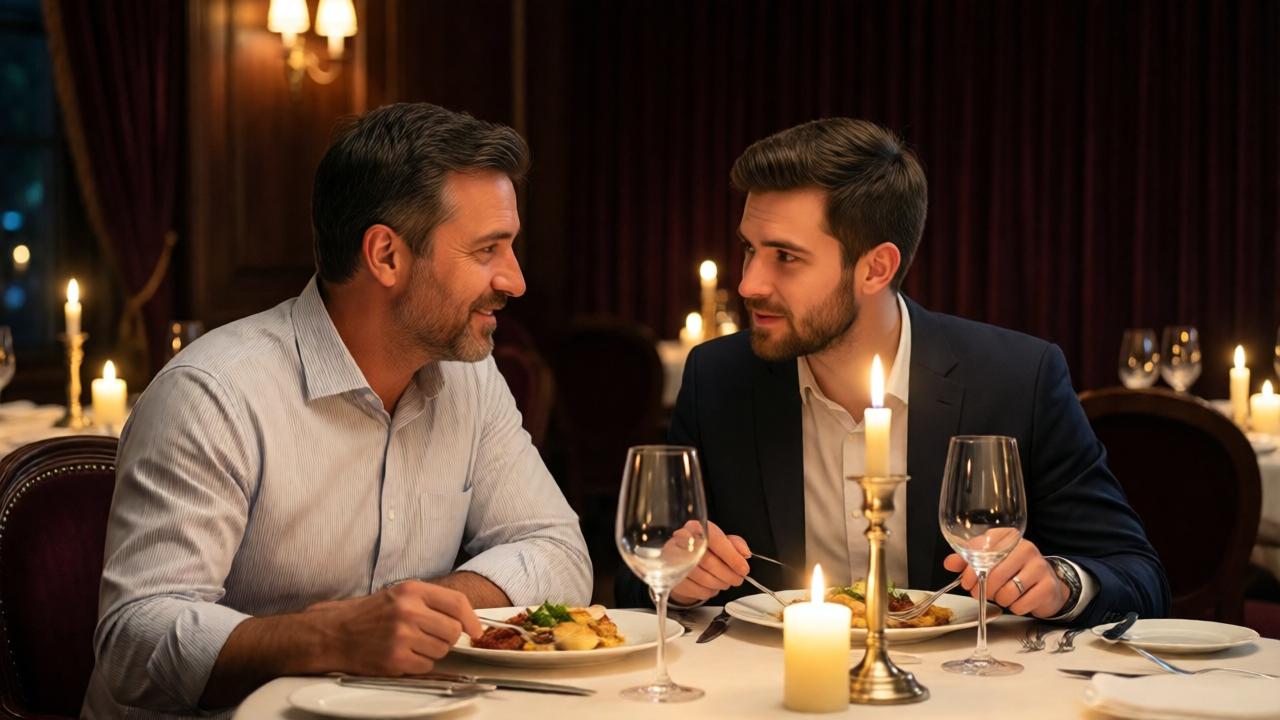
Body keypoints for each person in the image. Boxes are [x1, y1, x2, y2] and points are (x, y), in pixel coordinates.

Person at [84, 103, 592, 718]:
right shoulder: (212, 393)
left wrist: (431, 606)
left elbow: (559, 549)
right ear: (385, 256)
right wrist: (329, 637)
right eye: (488, 250)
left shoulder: (471, 380)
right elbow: (133, 642)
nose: (515, 280)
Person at [616, 118, 1169, 628]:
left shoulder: (1017, 378)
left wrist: (1060, 583)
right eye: (749, 250)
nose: (750, 284)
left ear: (876, 267)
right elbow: (635, 580)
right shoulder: (719, 379)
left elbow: (1138, 575)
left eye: (785, 257)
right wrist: (678, 580)